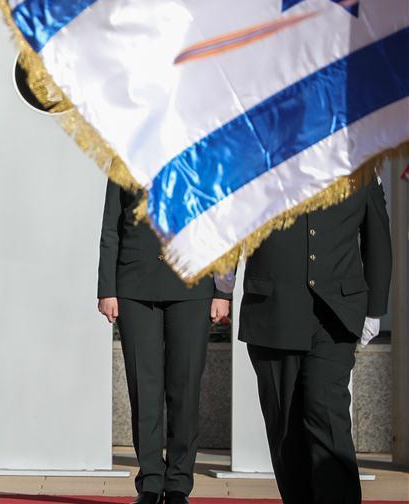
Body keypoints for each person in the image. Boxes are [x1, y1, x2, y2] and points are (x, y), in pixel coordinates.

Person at [240, 178, 391, 504]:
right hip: (273, 309)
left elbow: (376, 232)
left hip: (335, 314)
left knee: (327, 416)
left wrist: (375, 308)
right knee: (285, 430)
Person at [97, 179, 231, 504]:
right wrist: (106, 288)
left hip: (192, 286)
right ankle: (150, 483)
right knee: (144, 389)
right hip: (134, 285)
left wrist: (222, 292)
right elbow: (111, 228)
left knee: (184, 388)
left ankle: (178, 485)